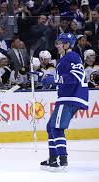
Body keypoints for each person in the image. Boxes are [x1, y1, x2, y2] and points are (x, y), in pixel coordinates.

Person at [39, 33, 89, 172]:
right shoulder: (64, 59)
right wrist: (45, 78)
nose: (57, 45)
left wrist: (55, 79)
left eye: (60, 43)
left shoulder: (71, 56)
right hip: (67, 97)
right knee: (51, 127)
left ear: (67, 44)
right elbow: (62, 78)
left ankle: (62, 161)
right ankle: (53, 158)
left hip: (70, 97)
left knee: (56, 128)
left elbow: (77, 76)